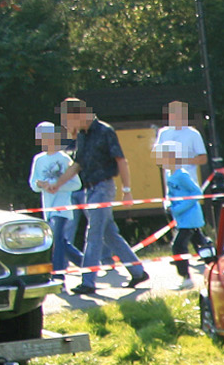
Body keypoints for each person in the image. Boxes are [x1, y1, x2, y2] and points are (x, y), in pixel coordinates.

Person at [59, 97, 146, 295]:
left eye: (68, 119)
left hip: (103, 187)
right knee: (109, 233)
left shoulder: (105, 131)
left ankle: (88, 281)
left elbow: (121, 160)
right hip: (89, 189)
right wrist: (57, 184)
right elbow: (77, 164)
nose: (67, 124)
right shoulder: (82, 135)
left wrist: (127, 189)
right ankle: (138, 271)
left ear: (78, 114)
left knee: (94, 233)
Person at [29, 121, 82, 275]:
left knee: (57, 242)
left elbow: (76, 184)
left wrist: (56, 185)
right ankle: (87, 264)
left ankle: (59, 276)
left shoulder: (64, 158)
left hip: (62, 206)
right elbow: (33, 184)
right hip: (48, 207)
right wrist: (41, 185)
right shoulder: (38, 159)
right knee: (59, 242)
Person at [154, 140, 207, 288]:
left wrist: (178, 208)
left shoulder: (182, 175)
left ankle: (186, 278)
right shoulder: (170, 176)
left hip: (190, 218)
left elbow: (196, 193)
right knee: (202, 246)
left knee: (178, 247)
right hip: (182, 219)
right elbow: (173, 194)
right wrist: (168, 204)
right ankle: (215, 267)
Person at [153, 101, 206, 174]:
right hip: (171, 180)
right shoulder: (163, 132)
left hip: (189, 179)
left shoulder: (194, 134)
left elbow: (203, 159)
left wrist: (183, 160)